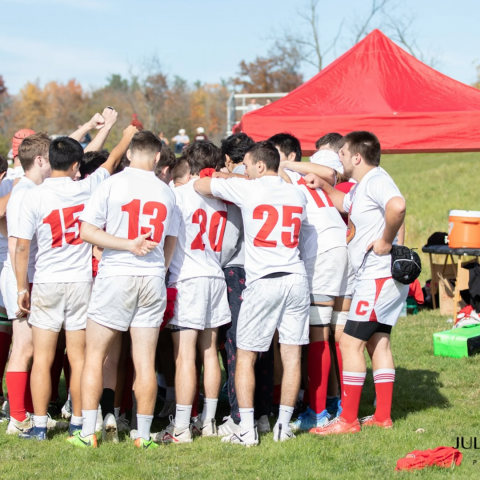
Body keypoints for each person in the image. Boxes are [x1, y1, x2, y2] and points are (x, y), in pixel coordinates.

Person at [14, 123, 133, 442]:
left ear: (49, 161)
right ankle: (80, 423)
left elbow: (22, 246)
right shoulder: (88, 186)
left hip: (47, 281)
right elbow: (110, 163)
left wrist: (22, 287)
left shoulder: (34, 196)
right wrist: (125, 135)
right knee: (80, 358)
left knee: (43, 357)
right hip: (81, 282)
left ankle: (39, 426)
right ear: (77, 164)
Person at [194, 141, 310, 446]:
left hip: (263, 280)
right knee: (291, 354)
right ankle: (282, 426)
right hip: (296, 277)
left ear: (260, 165)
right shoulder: (296, 192)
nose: (243, 169)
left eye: (247, 164)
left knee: (245, 356)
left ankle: (246, 429)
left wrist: (233, 177)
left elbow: (202, 184)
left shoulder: (249, 189)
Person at [68, 130, 177, 450]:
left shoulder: (111, 184)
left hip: (116, 275)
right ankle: (141, 435)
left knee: (95, 356)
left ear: (129, 153)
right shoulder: (166, 191)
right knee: (144, 361)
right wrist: (159, 268)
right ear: (158, 157)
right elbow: (171, 240)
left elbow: (87, 231)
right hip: (152, 277)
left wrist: (126, 245)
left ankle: (88, 432)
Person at [306, 131, 408, 436]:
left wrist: (386, 241)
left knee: (350, 342)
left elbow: (398, 206)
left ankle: (347, 419)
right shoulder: (366, 185)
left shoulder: (377, 181)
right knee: (379, 342)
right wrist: (323, 185)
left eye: (342, 153)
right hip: (379, 277)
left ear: (357, 157)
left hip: (376, 275)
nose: (339, 157)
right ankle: (382, 416)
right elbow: (344, 201)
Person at [269, 133, 350, 430]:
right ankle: (342, 404)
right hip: (340, 245)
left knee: (320, 335)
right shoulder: (307, 170)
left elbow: (329, 173)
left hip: (322, 251)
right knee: (338, 335)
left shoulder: (290, 173)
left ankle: (317, 412)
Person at [154, 141, 231, 444]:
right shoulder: (221, 196)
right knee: (209, 352)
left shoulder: (177, 194)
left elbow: (168, 240)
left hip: (187, 278)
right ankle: (208, 421)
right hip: (214, 275)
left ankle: (183, 426)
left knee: (185, 355)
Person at [216, 133, 274, 437]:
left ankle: (240, 416)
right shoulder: (267, 179)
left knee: (239, 345)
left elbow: (232, 233)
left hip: (237, 269)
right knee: (264, 344)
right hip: (266, 268)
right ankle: (263, 413)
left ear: (228, 159)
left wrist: (218, 263)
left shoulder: (234, 181)